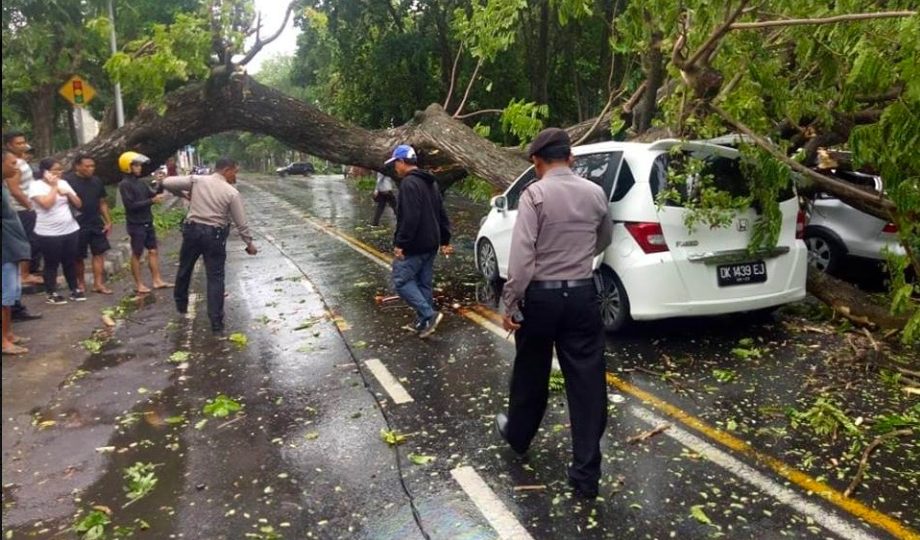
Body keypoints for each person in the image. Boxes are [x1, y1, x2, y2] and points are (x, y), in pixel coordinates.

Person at [495, 127, 613, 499]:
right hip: (582, 297)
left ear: (536, 162)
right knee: (587, 382)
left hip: (541, 299)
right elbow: (604, 238)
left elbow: (522, 257)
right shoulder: (595, 193)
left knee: (531, 370)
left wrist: (510, 302)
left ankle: (517, 436)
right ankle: (585, 475)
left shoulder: (534, 194)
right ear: (571, 159)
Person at [162, 157, 258, 335]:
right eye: (234, 172)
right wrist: (249, 243)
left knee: (185, 267)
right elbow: (241, 222)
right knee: (215, 277)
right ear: (227, 170)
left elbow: (167, 182)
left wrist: (183, 195)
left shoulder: (197, 181)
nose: (235, 176)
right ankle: (216, 323)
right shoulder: (231, 192)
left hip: (192, 231)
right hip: (214, 236)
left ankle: (181, 304)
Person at [386, 144, 453, 338]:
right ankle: (422, 323)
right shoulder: (430, 182)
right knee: (423, 283)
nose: (395, 168)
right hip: (431, 242)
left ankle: (428, 314)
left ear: (401, 161)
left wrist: (401, 243)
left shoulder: (408, 184)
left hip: (414, 244)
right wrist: (445, 239)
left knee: (401, 281)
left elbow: (409, 218)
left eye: (395, 164)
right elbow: (442, 213)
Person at [29, 158, 84, 304]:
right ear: (45, 172)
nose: (59, 173)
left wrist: (68, 194)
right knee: (52, 262)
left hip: (70, 228)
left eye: (60, 170)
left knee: (70, 260)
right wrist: (53, 187)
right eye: (55, 170)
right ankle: (51, 292)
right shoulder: (36, 186)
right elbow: (46, 204)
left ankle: (74, 289)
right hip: (48, 231)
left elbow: (79, 203)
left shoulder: (64, 183)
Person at [118, 151, 173, 294]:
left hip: (147, 221)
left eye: (139, 165)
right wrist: (151, 201)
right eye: (136, 165)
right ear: (127, 167)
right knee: (137, 254)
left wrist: (161, 184)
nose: (139, 168)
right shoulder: (125, 185)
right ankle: (139, 284)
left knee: (153, 251)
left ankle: (157, 280)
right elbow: (130, 205)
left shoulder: (140, 183)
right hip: (136, 224)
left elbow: (153, 195)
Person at [65, 154, 113, 295]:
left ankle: (98, 283)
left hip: (95, 221)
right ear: (77, 166)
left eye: (92, 166)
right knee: (78, 255)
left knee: (99, 252)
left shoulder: (97, 181)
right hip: (76, 223)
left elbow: (102, 202)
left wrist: (108, 221)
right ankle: (80, 282)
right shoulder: (68, 181)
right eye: (87, 166)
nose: (90, 169)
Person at [2, 149, 35, 355]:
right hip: (4, 248)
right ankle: (3, 340)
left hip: (11, 246)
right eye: (12, 163)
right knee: (4, 297)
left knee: (11, 294)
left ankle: (9, 334)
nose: (16, 167)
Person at [2, 131, 43, 287]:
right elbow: (15, 190)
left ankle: (29, 271)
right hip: (20, 208)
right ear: (8, 145)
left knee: (33, 239)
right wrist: (30, 206)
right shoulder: (14, 165)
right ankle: (24, 275)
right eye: (18, 143)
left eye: (23, 142)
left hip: (27, 205)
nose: (22, 145)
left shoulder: (20, 160)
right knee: (27, 240)